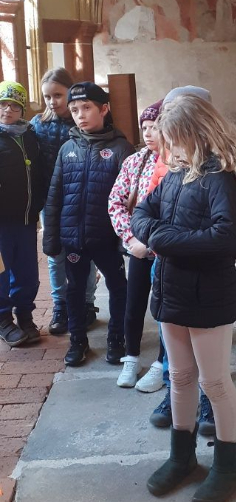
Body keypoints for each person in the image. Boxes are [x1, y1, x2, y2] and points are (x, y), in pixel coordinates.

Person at [131, 94, 236, 502]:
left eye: (174, 139)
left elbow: (227, 238)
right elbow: (141, 213)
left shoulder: (219, 177)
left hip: (207, 295)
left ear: (196, 133)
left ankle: (227, 466)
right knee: (180, 377)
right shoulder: (176, 173)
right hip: (171, 291)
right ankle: (182, 457)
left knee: (214, 382)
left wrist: (161, 239)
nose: (169, 148)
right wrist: (157, 233)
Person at [43, 82, 134, 366]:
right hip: (74, 238)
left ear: (104, 109)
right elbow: (55, 195)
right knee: (74, 289)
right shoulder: (67, 149)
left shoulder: (121, 148)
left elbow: (131, 199)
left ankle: (116, 338)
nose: (80, 114)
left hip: (106, 238)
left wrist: (125, 239)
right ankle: (78, 341)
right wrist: (51, 237)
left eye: (86, 108)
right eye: (74, 110)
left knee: (118, 287)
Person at [145, 86, 216, 436]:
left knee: (207, 344)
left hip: (203, 264)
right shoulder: (168, 159)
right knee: (170, 335)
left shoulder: (220, 166)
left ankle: (207, 397)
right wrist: (151, 235)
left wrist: (168, 237)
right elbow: (149, 204)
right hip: (166, 262)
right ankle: (175, 392)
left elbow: (235, 221)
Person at [31, 68, 99, 336]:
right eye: (47, 97)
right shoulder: (38, 124)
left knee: (85, 251)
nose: (52, 102)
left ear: (70, 92)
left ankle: (87, 304)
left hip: (81, 199)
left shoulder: (84, 122)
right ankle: (60, 306)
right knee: (55, 255)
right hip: (51, 202)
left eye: (58, 95)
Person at [109, 100, 164, 389]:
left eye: (155, 127)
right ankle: (131, 357)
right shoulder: (134, 161)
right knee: (134, 304)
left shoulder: (176, 162)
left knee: (165, 309)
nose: (148, 133)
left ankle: (162, 363)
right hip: (138, 248)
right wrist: (130, 239)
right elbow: (116, 202)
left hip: (166, 250)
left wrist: (153, 244)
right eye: (145, 128)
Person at [0, 81, 44, 347]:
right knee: (2, 273)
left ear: (22, 110)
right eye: (3, 104)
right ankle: (4, 319)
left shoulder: (30, 135)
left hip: (27, 219)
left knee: (27, 271)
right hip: (2, 221)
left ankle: (25, 315)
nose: (7, 110)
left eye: (14, 106)